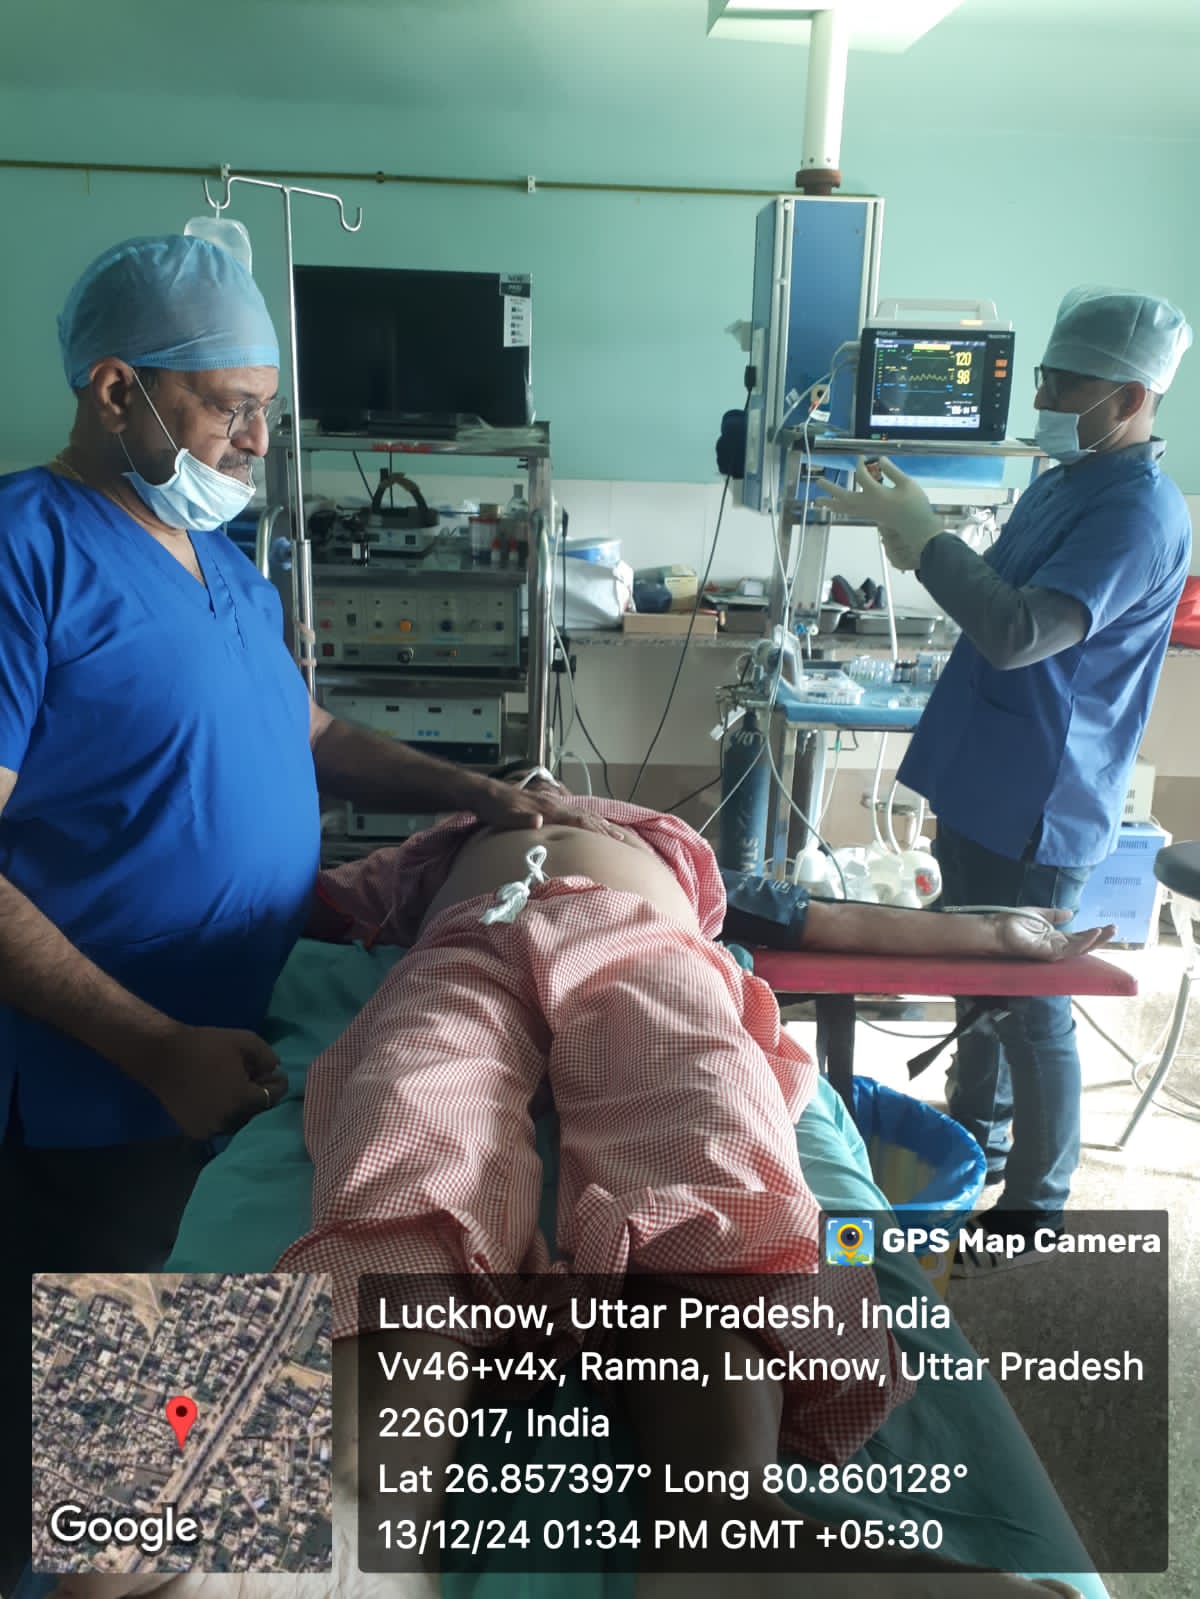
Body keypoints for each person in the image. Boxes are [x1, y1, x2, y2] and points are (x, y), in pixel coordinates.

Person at [818, 286, 1192, 1270]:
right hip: (986, 772)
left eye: (1066, 384)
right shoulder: (1068, 483)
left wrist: (927, 538)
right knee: (971, 977)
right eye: (1046, 377)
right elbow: (1000, 587)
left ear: (1132, 396)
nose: (1046, 397)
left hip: (1042, 794)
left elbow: (1021, 630)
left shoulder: (1138, 512)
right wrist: (921, 541)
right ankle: (975, 1142)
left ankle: (1038, 1203)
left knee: (1032, 1004)